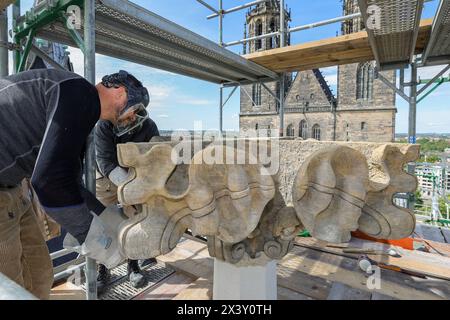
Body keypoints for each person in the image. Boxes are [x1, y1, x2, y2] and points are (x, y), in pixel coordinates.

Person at [0, 68, 149, 299]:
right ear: (120, 93)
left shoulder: (78, 105)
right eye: (135, 110)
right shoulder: (81, 95)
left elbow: (67, 181)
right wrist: (96, 238)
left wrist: (106, 216)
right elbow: (49, 184)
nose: (132, 118)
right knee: (11, 287)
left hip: (14, 189)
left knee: (40, 275)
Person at [95, 93, 160, 291]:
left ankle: (133, 266)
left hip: (134, 177)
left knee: (134, 222)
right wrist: (128, 186)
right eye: (126, 115)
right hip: (105, 179)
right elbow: (105, 161)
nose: (131, 119)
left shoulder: (149, 126)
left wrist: (139, 188)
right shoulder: (104, 125)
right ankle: (103, 269)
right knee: (102, 225)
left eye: (134, 114)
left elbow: (156, 156)